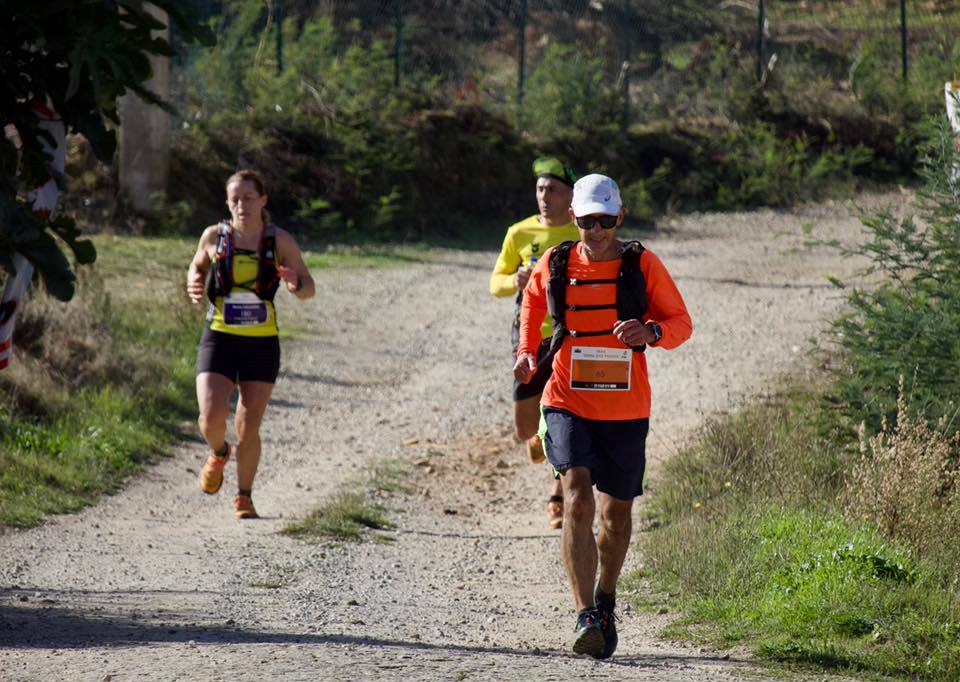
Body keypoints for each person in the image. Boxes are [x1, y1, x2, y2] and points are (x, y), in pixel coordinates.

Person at [513, 173, 692, 658]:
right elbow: (531, 305)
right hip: (567, 398)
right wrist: (528, 352)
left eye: (605, 221)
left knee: (615, 516)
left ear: (620, 217)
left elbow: (681, 324)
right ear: (573, 217)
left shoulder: (641, 264)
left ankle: (605, 596)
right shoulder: (555, 262)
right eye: (587, 221)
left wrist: (650, 331)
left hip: (626, 408)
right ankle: (584, 614)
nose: (596, 231)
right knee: (576, 500)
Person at [186, 170, 315, 519]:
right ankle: (218, 452)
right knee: (210, 418)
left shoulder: (280, 241)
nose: (241, 205)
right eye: (235, 199)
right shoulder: (214, 236)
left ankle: (244, 497)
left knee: (248, 426)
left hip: (261, 343)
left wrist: (294, 284)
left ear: (262, 201)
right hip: (220, 337)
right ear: (228, 203)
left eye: (248, 198)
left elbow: (308, 288)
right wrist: (194, 283)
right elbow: (196, 266)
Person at [489, 157, 581, 529]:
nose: (545, 196)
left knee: (565, 416)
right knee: (527, 428)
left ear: (570, 195)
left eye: (553, 189)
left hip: (571, 335)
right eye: (540, 189)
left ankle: (557, 496)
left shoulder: (581, 232)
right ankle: (538, 438)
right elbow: (495, 283)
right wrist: (516, 280)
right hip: (529, 333)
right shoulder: (519, 232)